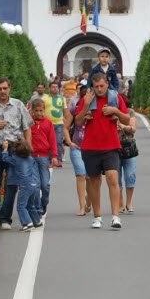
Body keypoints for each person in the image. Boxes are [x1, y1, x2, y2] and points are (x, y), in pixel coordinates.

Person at [73, 71, 130, 229]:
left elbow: (127, 118)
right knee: (94, 181)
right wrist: (85, 107)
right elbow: (77, 121)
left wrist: (115, 112)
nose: (99, 89)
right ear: (92, 85)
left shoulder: (115, 98)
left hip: (111, 145)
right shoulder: (87, 99)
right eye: (96, 86)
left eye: (102, 86)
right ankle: (97, 217)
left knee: (112, 177)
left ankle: (115, 217)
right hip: (90, 146)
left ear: (107, 85)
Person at [0, 78, 33, 230]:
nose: (2, 91)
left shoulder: (18, 105)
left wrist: (28, 147)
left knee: (11, 186)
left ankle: (5, 219)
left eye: (4, 88)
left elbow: (27, 127)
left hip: (15, 149)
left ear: (9, 88)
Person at [64, 80, 91, 216]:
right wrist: (69, 142)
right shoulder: (74, 110)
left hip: (92, 148)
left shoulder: (97, 110)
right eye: (84, 96)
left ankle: (90, 200)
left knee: (91, 177)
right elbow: (65, 127)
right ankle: (81, 206)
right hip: (77, 147)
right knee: (81, 174)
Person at [29, 98, 57, 218]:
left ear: (44, 110)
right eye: (36, 111)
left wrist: (55, 156)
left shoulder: (48, 123)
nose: (39, 113)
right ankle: (38, 208)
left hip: (44, 157)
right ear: (32, 111)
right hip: (32, 157)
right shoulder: (29, 123)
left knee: (45, 184)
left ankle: (44, 202)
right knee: (35, 185)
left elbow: (52, 140)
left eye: (41, 110)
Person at [8, 140, 43, 231]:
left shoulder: (15, 159)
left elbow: (5, 158)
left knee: (21, 206)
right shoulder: (31, 159)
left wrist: (4, 150)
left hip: (24, 186)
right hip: (33, 184)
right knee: (30, 205)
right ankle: (37, 221)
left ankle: (27, 224)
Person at [42, 79, 67, 167]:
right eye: (53, 87)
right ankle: (49, 161)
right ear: (49, 88)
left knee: (58, 141)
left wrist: (66, 121)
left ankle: (59, 160)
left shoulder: (62, 98)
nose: (55, 88)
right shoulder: (44, 98)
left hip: (59, 123)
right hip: (48, 124)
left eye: (56, 87)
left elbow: (65, 110)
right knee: (48, 142)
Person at [117, 116, 139, 213]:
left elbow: (133, 129)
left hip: (129, 150)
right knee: (116, 178)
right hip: (113, 150)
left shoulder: (130, 116)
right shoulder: (108, 114)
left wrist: (121, 126)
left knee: (130, 175)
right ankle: (120, 203)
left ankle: (129, 202)